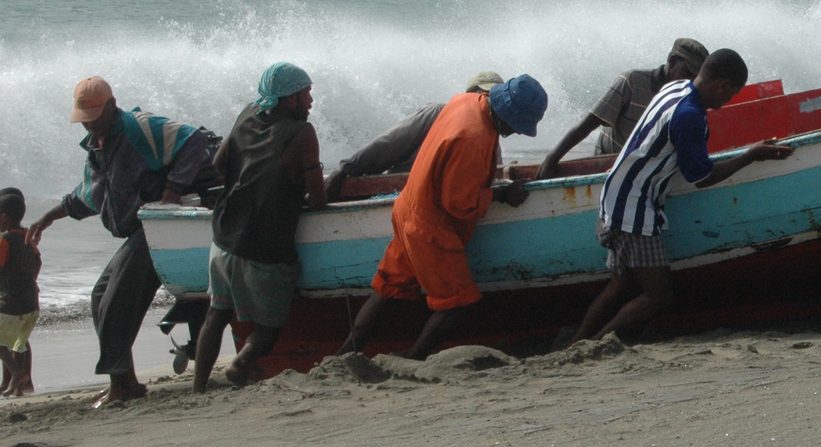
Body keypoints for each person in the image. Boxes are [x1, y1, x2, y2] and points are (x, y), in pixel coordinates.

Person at [573, 49, 793, 343]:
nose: (726, 103)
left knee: (619, 285)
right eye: (730, 96)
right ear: (722, 86)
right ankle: (598, 344)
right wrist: (751, 155)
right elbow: (701, 177)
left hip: (614, 197)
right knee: (658, 296)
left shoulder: (675, 88)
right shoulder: (690, 116)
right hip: (634, 212)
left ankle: (577, 342)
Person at [27, 77, 214, 407]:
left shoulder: (138, 128)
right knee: (100, 295)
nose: (90, 123)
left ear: (112, 106)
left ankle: (120, 384)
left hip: (162, 225)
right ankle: (126, 381)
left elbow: (193, 140)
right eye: (85, 117)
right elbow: (88, 196)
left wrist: (171, 191)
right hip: (140, 230)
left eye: (95, 116)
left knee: (116, 300)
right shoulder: (98, 147)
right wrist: (49, 217)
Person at [338, 75, 548, 360]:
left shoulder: (464, 101)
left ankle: (343, 356)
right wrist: (501, 195)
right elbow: (458, 204)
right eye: (516, 126)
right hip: (430, 226)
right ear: (508, 114)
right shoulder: (473, 138)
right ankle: (414, 358)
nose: (515, 133)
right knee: (460, 304)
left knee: (390, 288)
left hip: (408, 208)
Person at [191, 63, 327, 392]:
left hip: (223, 239)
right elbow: (319, 201)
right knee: (269, 325)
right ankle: (240, 363)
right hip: (265, 247)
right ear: (289, 98)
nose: (310, 100)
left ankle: (198, 388)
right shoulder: (301, 133)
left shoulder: (248, 113)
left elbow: (219, 164)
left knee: (216, 315)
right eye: (305, 94)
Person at [534, 38, 710, 179]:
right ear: (671, 62)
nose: (690, 81)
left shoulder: (686, 96)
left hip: (644, 171)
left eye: (695, 77)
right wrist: (552, 159)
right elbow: (588, 125)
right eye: (687, 72)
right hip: (606, 166)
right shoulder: (632, 81)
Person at [323, 71, 505, 201]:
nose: (488, 98)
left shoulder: (492, 135)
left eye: (493, 95)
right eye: (483, 93)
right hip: (399, 195)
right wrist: (345, 170)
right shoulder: (437, 113)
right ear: (469, 95)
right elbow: (388, 145)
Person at [0, 188, 41, 397]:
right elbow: (38, 260)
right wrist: (30, 280)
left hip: (11, 302)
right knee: (20, 343)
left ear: (3, 217)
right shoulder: (27, 237)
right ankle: (18, 387)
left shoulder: (4, 239)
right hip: (31, 301)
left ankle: (17, 373)